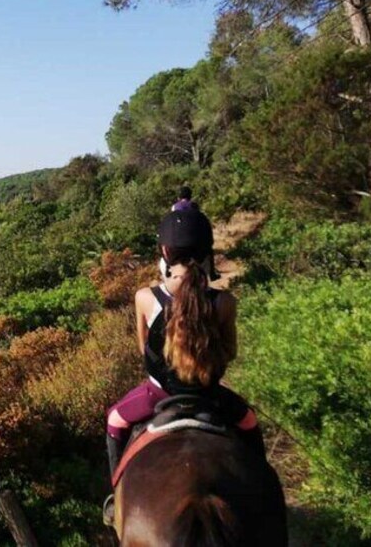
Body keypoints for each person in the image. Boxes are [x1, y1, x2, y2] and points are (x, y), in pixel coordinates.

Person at [103, 210, 264, 524]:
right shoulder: (224, 302)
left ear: (164, 252)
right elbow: (229, 352)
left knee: (115, 421)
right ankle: (262, 493)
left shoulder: (144, 298)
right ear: (207, 253)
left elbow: (144, 350)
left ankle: (114, 500)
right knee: (249, 423)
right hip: (210, 395)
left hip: (157, 394)